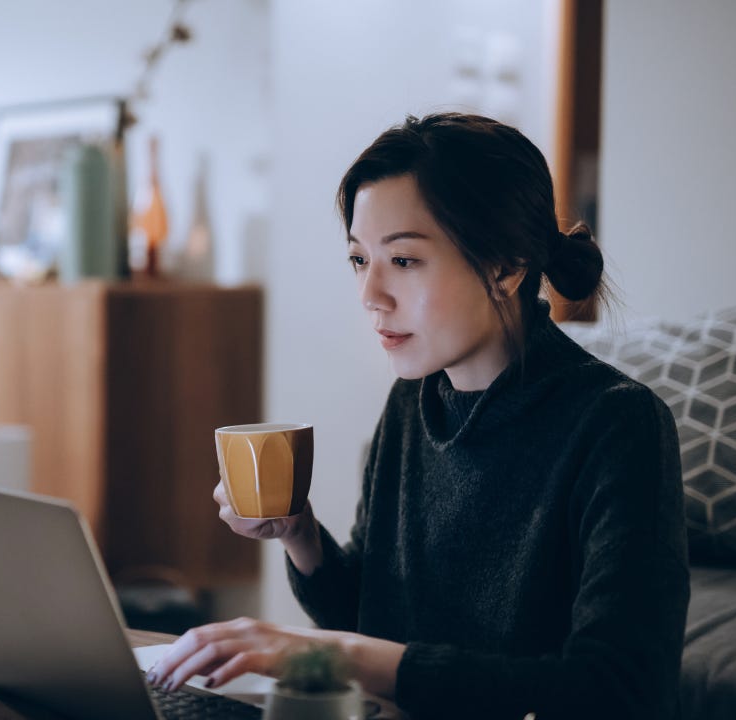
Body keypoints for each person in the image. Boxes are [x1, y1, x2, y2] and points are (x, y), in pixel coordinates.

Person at [146, 113, 689, 719]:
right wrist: (297, 531)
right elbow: (369, 618)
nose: (369, 294)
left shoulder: (618, 425)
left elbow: (620, 692)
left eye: (403, 261)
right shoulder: (414, 402)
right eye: (359, 260)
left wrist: (330, 652)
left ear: (505, 266)